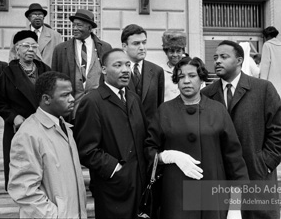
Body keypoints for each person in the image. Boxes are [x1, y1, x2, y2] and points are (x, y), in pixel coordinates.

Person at [145, 56, 249, 219]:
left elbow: (234, 160)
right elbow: (149, 150)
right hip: (176, 199)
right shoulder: (164, 111)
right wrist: (166, 156)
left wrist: (236, 206)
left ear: (201, 79)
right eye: (181, 77)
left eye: (192, 76)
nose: (186, 81)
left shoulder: (217, 110)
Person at [201, 40, 281, 219]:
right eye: (215, 57)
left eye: (224, 57)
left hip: (256, 173)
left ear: (240, 61)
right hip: (220, 176)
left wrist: (265, 163)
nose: (217, 61)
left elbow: (279, 130)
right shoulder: (206, 94)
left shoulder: (263, 89)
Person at [74, 49, 147, 219]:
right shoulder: (92, 101)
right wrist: (116, 169)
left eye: (128, 64)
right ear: (104, 70)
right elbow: (86, 150)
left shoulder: (134, 99)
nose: (125, 70)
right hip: (112, 189)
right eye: (118, 65)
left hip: (139, 186)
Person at [8, 71, 87, 218]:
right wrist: (55, 216)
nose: (72, 99)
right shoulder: (28, 134)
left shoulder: (65, 127)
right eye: (65, 95)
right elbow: (23, 190)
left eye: (71, 94)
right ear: (46, 99)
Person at [0, 30, 51, 190]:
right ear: (17, 49)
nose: (30, 49)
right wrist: (13, 117)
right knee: (22, 165)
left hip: (43, 126)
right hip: (18, 127)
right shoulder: (8, 73)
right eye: (26, 46)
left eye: (34, 46)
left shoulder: (46, 70)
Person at [52, 9, 112, 123]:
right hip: (69, 111)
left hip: (99, 110)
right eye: (73, 25)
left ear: (90, 28)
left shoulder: (105, 48)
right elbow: (53, 80)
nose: (74, 28)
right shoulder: (60, 50)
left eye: (79, 25)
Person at [122, 24, 164, 121]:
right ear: (124, 46)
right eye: (136, 43)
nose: (142, 47)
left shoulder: (157, 71)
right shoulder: (115, 71)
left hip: (150, 132)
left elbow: (159, 106)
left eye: (144, 43)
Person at [9, 3, 62, 67]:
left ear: (44, 17)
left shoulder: (55, 36)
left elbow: (60, 59)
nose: (37, 17)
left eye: (40, 14)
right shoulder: (19, 36)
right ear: (29, 18)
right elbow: (12, 57)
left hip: (48, 74)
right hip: (24, 74)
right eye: (34, 14)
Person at [260, 26, 281, 110]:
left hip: (271, 79)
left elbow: (265, 65)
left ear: (267, 36)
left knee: (271, 102)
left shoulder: (267, 45)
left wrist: (262, 81)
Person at [160, 31, 185, 101]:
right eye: (171, 51)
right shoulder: (160, 71)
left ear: (183, 51)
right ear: (166, 52)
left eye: (178, 51)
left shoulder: (189, 69)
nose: (175, 55)